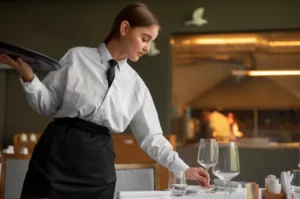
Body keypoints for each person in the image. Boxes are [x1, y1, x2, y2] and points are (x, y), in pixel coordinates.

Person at [0, 3, 210, 199]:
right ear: (125, 28)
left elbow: (151, 138)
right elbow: (47, 105)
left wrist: (183, 168)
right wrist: (29, 77)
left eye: (151, 41)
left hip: (97, 169)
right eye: (145, 38)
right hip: (55, 157)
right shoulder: (77, 57)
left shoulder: (137, 86)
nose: (147, 47)